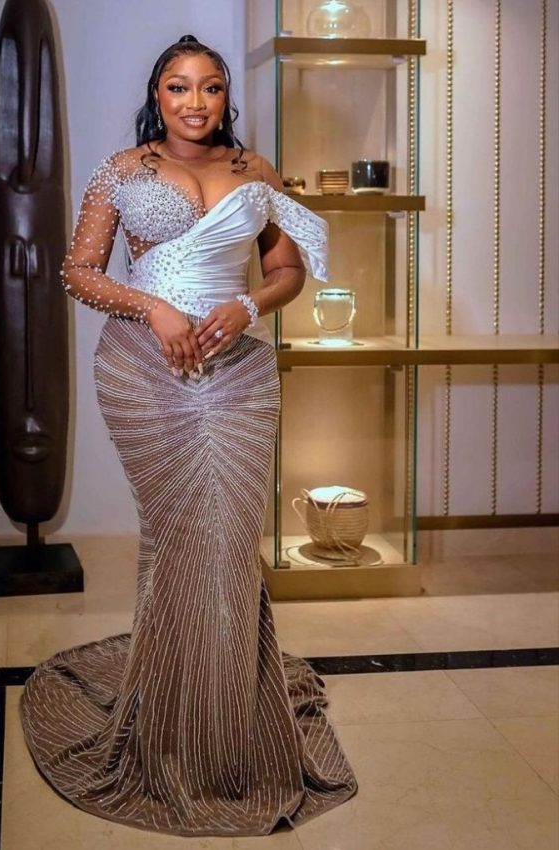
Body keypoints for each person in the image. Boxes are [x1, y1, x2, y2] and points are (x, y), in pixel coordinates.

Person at [19, 34, 358, 837]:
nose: (195, 102)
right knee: (179, 537)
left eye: (209, 88)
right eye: (178, 87)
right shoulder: (122, 170)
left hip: (240, 370)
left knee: (229, 540)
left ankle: (228, 725)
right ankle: (171, 724)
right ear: (158, 96)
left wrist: (248, 306)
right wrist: (153, 306)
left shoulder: (255, 170)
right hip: (144, 369)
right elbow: (78, 270)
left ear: (225, 98)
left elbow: (286, 273)